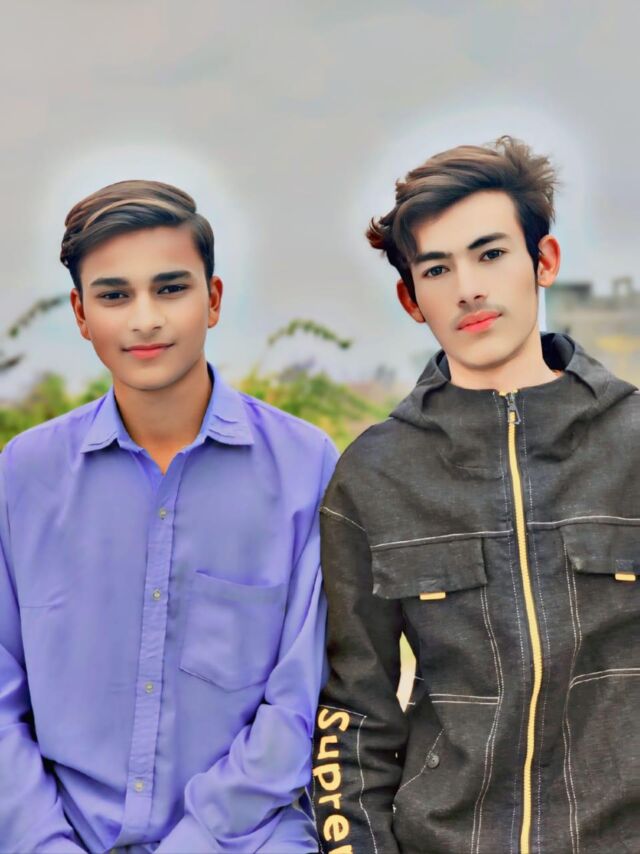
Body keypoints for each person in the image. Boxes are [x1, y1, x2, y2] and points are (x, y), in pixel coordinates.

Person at [312, 136, 640, 854]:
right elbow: (352, 715)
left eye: (490, 254)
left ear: (543, 261)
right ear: (411, 298)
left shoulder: (633, 443)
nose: (467, 288)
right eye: (437, 268)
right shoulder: (374, 474)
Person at [0, 179, 337, 853]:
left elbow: (299, 702)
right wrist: (42, 842)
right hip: (60, 833)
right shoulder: (24, 475)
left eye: (170, 288)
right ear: (80, 313)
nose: (145, 319)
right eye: (114, 295)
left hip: (245, 839)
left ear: (212, 299)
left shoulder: (305, 467)